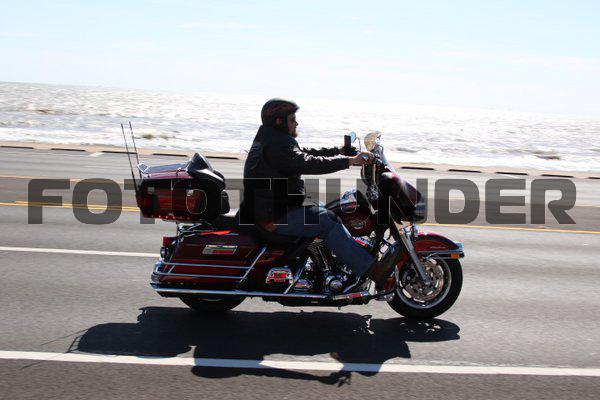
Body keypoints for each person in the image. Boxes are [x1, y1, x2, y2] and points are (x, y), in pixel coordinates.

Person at [239, 98, 399, 290]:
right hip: (273, 215)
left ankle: (327, 263)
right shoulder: (276, 144)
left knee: (331, 209)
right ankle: (372, 270)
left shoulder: (271, 139)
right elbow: (307, 162)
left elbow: (303, 152)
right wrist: (350, 161)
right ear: (279, 121)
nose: (296, 123)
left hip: (275, 207)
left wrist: (338, 151)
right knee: (326, 222)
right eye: (292, 119)